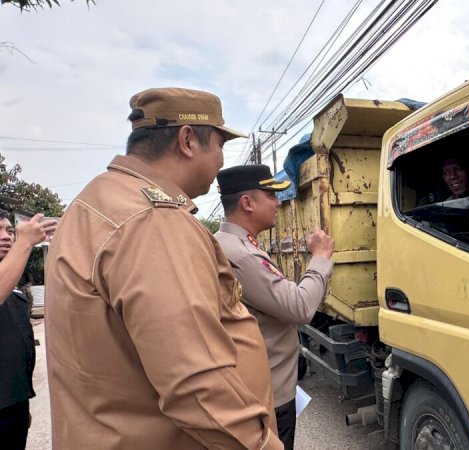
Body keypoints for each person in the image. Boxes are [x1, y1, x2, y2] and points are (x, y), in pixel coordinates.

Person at [44, 88, 283, 449]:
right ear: (188, 140)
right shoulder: (152, 221)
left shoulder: (98, 202)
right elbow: (196, 385)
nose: (221, 159)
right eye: (219, 143)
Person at [215, 164, 335, 450]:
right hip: (269, 394)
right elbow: (300, 307)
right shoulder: (240, 254)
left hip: (268, 385)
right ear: (247, 203)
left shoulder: (237, 245)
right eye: (271, 195)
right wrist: (320, 257)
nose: (278, 202)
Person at [0, 211, 56, 450]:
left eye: (9, 231)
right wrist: (24, 242)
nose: (6, 237)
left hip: (13, 409)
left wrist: (22, 408)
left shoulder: (17, 296)